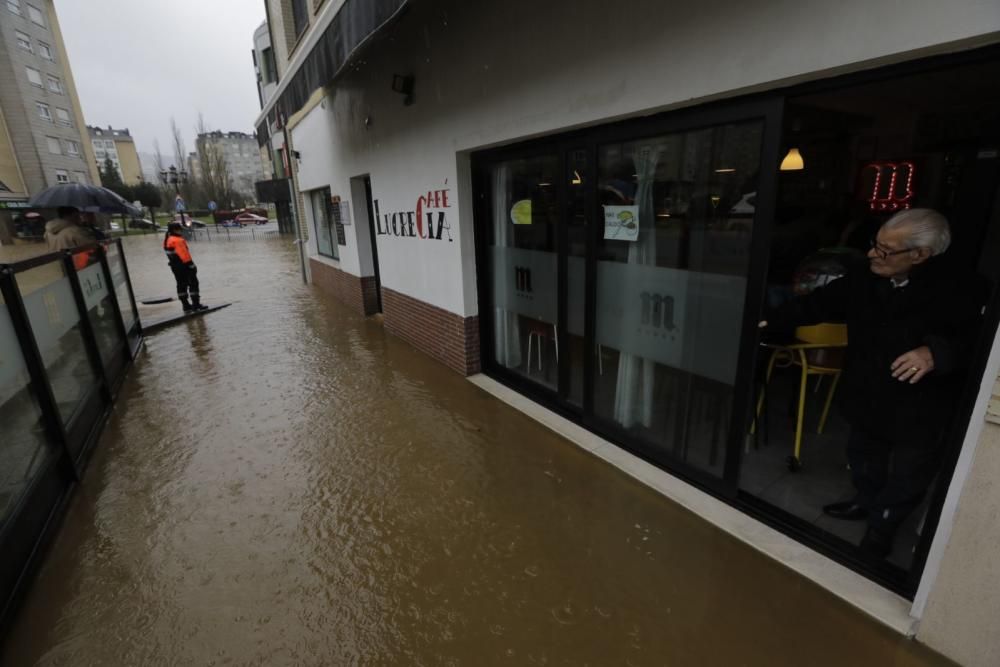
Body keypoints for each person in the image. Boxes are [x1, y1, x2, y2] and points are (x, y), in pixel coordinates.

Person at [761, 208, 981, 558]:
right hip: (869, 387)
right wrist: (763, 320)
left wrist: (934, 352)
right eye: (874, 245)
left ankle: (884, 527)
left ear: (920, 255)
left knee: (910, 471)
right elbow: (818, 304)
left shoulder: (961, 288)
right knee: (864, 455)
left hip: (921, 403)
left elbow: (978, 340)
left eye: (884, 250)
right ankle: (865, 501)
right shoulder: (866, 275)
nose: (871, 254)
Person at [163, 222, 207, 313]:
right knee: (193, 283)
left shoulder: (167, 239)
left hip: (175, 267)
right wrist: (191, 265)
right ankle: (196, 305)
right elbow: (184, 255)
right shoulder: (178, 240)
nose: (181, 231)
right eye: (180, 229)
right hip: (184, 266)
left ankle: (186, 306)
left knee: (181, 285)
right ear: (175, 230)